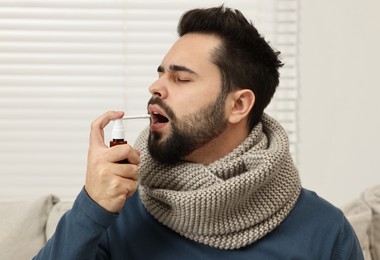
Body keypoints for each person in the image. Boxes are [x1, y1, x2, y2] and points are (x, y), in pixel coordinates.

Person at [34, 6, 364, 259]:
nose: (155, 87)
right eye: (160, 73)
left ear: (238, 105)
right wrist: (92, 207)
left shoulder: (325, 232)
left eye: (181, 78)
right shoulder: (114, 213)